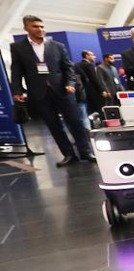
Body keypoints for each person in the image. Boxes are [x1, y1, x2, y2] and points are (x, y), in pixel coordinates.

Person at [10, 15, 95, 166]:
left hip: (63, 89)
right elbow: (16, 71)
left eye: (42, 26)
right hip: (39, 92)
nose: (40, 29)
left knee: (75, 122)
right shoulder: (17, 47)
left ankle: (86, 152)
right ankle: (69, 155)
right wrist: (17, 91)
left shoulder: (57, 46)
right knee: (53, 125)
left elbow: (68, 68)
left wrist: (70, 83)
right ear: (26, 28)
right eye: (35, 26)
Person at [75, 50, 108, 117]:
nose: (94, 57)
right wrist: (102, 90)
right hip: (93, 91)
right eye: (92, 55)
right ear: (87, 56)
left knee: (89, 110)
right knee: (98, 109)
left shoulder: (77, 65)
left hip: (83, 91)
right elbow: (94, 79)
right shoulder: (89, 65)